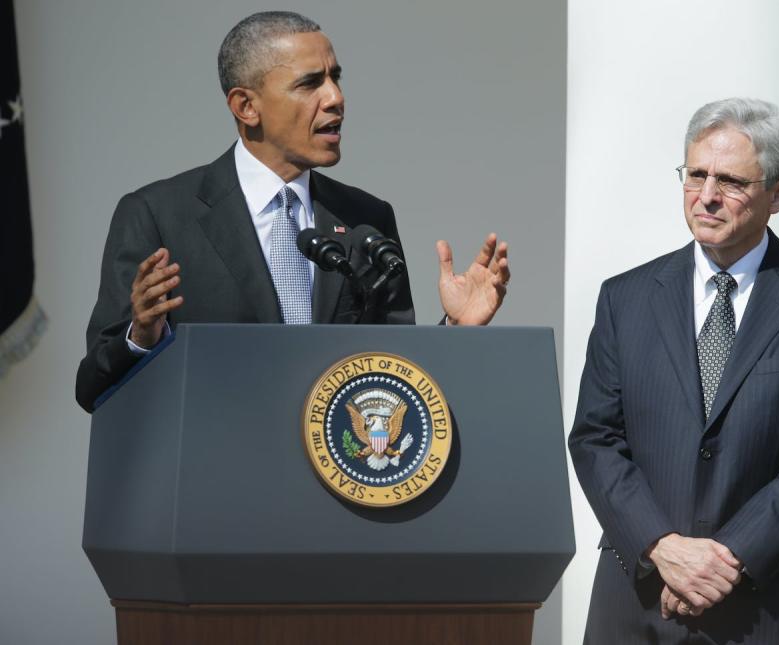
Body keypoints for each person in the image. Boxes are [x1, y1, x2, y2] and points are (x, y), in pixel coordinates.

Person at [75, 11, 509, 413]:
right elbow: (92, 387)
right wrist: (141, 338)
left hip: (337, 484)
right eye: (310, 83)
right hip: (213, 485)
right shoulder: (158, 215)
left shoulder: (366, 217)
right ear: (246, 106)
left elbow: (391, 378)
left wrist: (456, 330)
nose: (336, 98)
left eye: (335, 78)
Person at [568, 97, 779, 644]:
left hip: (771, 605)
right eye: (696, 174)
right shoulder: (625, 298)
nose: (706, 196)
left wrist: (726, 560)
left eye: (730, 181)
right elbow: (595, 437)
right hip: (638, 598)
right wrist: (663, 547)